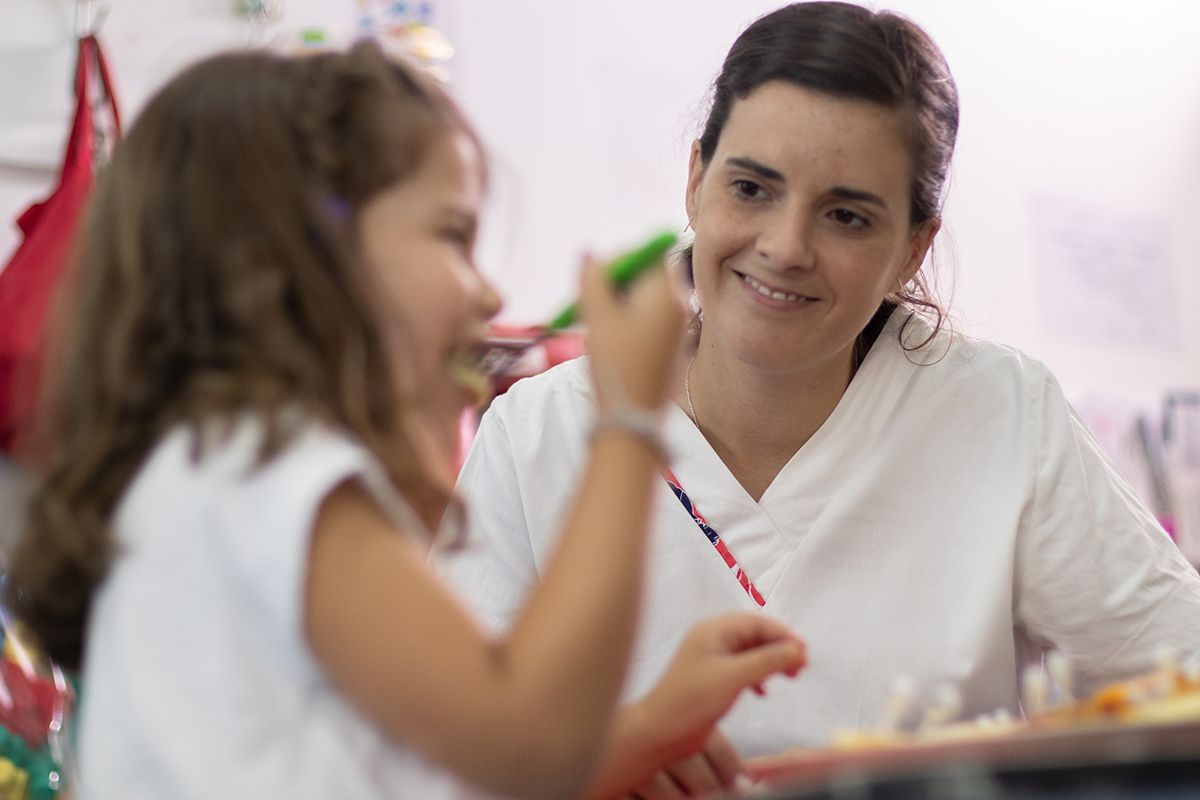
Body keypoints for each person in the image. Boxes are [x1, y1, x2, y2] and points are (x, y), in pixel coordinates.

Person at [3, 43, 808, 800]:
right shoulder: (277, 479)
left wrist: (650, 723)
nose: (489, 295)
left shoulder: (204, 472)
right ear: (310, 252)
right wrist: (629, 421)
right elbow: (530, 742)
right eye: (453, 236)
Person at [436, 0, 1200, 783]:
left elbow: (1183, 676)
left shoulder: (1003, 414)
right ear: (696, 180)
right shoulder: (538, 431)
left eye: (846, 215)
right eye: (752, 189)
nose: (786, 247)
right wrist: (608, 756)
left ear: (912, 246)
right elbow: (430, 761)